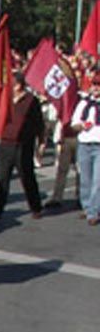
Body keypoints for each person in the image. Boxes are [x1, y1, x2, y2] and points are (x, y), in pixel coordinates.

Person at [0, 74, 45, 221]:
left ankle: (36, 207)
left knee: (27, 176)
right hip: (6, 143)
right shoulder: (5, 100)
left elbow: (39, 123)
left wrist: (41, 142)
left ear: (18, 86)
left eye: (11, 84)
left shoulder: (31, 101)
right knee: (2, 178)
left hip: (23, 144)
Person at [69, 73, 100, 225]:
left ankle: (93, 212)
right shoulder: (84, 104)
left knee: (98, 181)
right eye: (94, 84)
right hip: (84, 144)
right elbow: (74, 124)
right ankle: (87, 206)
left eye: (98, 85)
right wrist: (81, 126)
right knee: (85, 179)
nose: (95, 87)